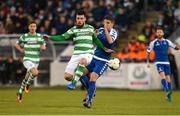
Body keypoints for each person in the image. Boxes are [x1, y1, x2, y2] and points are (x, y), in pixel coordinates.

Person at [43, 10, 111, 87]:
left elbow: (96, 40)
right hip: (76, 55)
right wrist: (50, 37)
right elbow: (62, 37)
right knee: (67, 76)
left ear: (85, 19)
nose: (79, 20)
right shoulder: (73, 30)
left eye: (81, 18)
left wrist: (104, 48)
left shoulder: (90, 28)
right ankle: (85, 81)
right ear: (76, 19)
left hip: (88, 53)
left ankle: (73, 83)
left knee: (83, 61)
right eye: (78, 18)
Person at [68, 15, 118, 108]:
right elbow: (92, 37)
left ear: (112, 24)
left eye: (108, 23)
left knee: (93, 78)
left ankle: (89, 101)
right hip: (94, 57)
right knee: (79, 73)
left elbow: (110, 41)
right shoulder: (100, 30)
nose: (106, 24)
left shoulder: (114, 32)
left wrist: (106, 30)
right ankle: (90, 90)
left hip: (103, 61)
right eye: (105, 22)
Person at [147, 26, 180, 102]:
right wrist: (148, 62)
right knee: (163, 76)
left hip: (167, 62)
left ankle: (168, 96)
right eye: (158, 32)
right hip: (159, 62)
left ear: (163, 33)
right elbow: (148, 52)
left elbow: (176, 48)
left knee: (168, 79)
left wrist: (178, 46)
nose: (159, 33)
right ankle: (167, 91)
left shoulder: (167, 41)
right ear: (156, 33)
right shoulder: (153, 42)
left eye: (160, 32)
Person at [15, 22, 46, 102]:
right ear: (29, 27)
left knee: (27, 76)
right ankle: (28, 84)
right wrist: (20, 49)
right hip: (27, 59)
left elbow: (43, 47)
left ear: (36, 27)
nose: (32, 28)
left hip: (36, 60)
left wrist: (42, 46)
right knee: (35, 73)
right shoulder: (25, 36)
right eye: (31, 26)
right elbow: (17, 44)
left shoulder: (39, 36)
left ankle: (20, 92)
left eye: (34, 26)